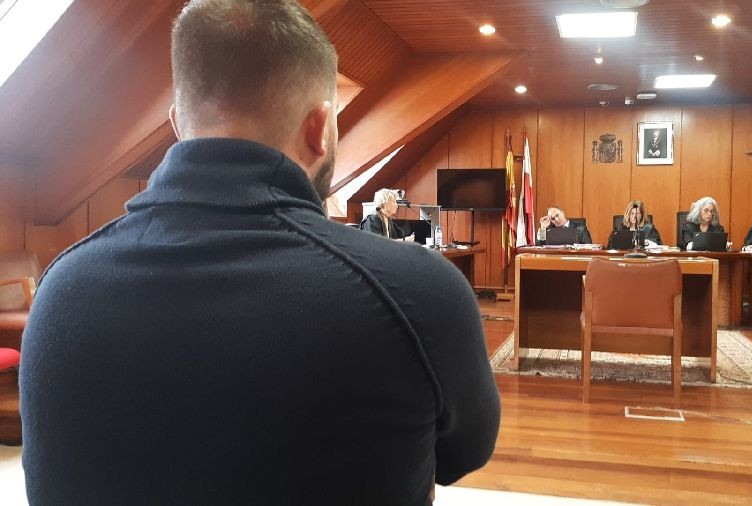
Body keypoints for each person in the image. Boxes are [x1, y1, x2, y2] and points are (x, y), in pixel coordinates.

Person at [19, 1, 500, 504]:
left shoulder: (60, 293)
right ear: (320, 127)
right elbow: (464, 454)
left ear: (178, 124)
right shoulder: (418, 293)